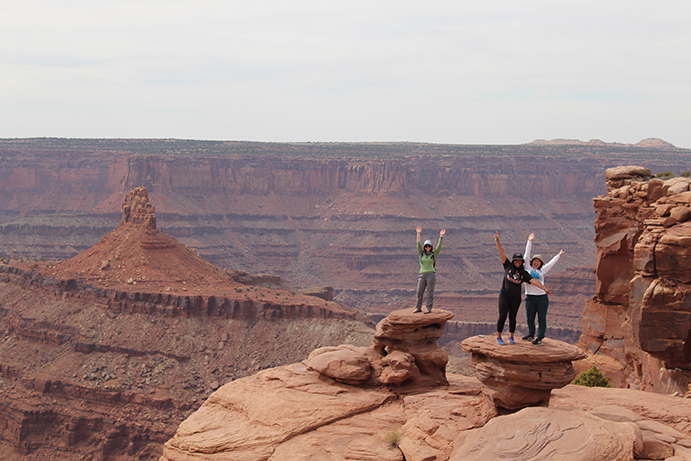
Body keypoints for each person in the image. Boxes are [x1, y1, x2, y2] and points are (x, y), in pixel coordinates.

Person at [494, 232, 551, 345]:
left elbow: (533, 281)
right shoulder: (508, 266)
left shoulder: (523, 273)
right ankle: (499, 337)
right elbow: (502, 253)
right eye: (516, 260)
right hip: (504, 296)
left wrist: (544, 288)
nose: (518, 262)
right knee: (502, 316)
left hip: (515, 298)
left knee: (512, 317)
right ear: (514, 260)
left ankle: (511, 337)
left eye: (520, 261)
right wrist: (497, 241)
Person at [522, 233, 564, 346]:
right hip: (530, 297)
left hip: (541, 298)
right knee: (530, 317)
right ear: (531, 262)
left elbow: (551, 264)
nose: (536, 262)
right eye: (535, 260)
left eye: (539, 261)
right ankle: (531, 335)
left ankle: (539, 337)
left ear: (540, 263)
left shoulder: (542, 271)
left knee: (541, 319)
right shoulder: (527, 268)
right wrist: (529, 241)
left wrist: (558, 255)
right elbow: (526, 255)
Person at [414, 226, 445, 313]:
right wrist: (418, 233)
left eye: (429, 246)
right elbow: (418, 244)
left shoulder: (433, 255)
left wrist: (441, 237)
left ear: (431, 247)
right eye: (426, 246)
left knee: (430, 292)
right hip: (422, 275)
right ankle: (418, 307)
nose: (428, 247)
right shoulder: (421, 254)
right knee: (419, 291)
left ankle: (428, 308)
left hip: (431, 275)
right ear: (424, 247)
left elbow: (439, 247)